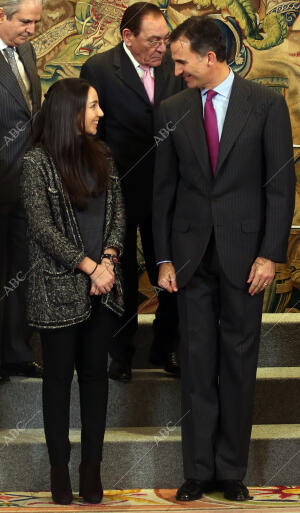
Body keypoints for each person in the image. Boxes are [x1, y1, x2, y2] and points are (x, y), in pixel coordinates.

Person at [153, 16, 295, 502]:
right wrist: (165, 258)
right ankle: (197, 470)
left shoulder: (267, 103)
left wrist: (270, 254)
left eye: (180, 60)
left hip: (246, 261)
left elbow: (280, 188)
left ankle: (230, 472)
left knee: (238, 365)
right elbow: (162, 192)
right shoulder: (172, 107)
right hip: (190, 259)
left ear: (209, 57)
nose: (175, 69)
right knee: (195, 365)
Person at [20, 78, 125, 505]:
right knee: (58, 381)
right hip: (57, 289)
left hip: (103, 288)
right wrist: (88, 267)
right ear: (71, 112)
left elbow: (118, 213)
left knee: (96, 380)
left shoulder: (105, 155)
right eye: (94, 106)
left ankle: (91, 471)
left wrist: (110, 260)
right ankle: (59, 471)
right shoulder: (35, 162)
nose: (101, 114)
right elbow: (42, 228)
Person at [80, 2, 184, 382]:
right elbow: (91, 136)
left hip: (170, 193)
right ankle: (120, 355)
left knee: (170, 268)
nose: (162, 47)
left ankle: (164, 348)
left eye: (165, 39)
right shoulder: (100, 69)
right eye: (153, 40)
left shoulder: (175, 64)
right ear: (128, 36)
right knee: (119, 275)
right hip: (119, 192)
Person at [0, 0, 42, 383]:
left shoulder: (25, 51)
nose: (31, 30)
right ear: (1, 15)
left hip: (24, 184)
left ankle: (15, 351)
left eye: (35, 23)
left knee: (20, 271)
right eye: (24, 22)